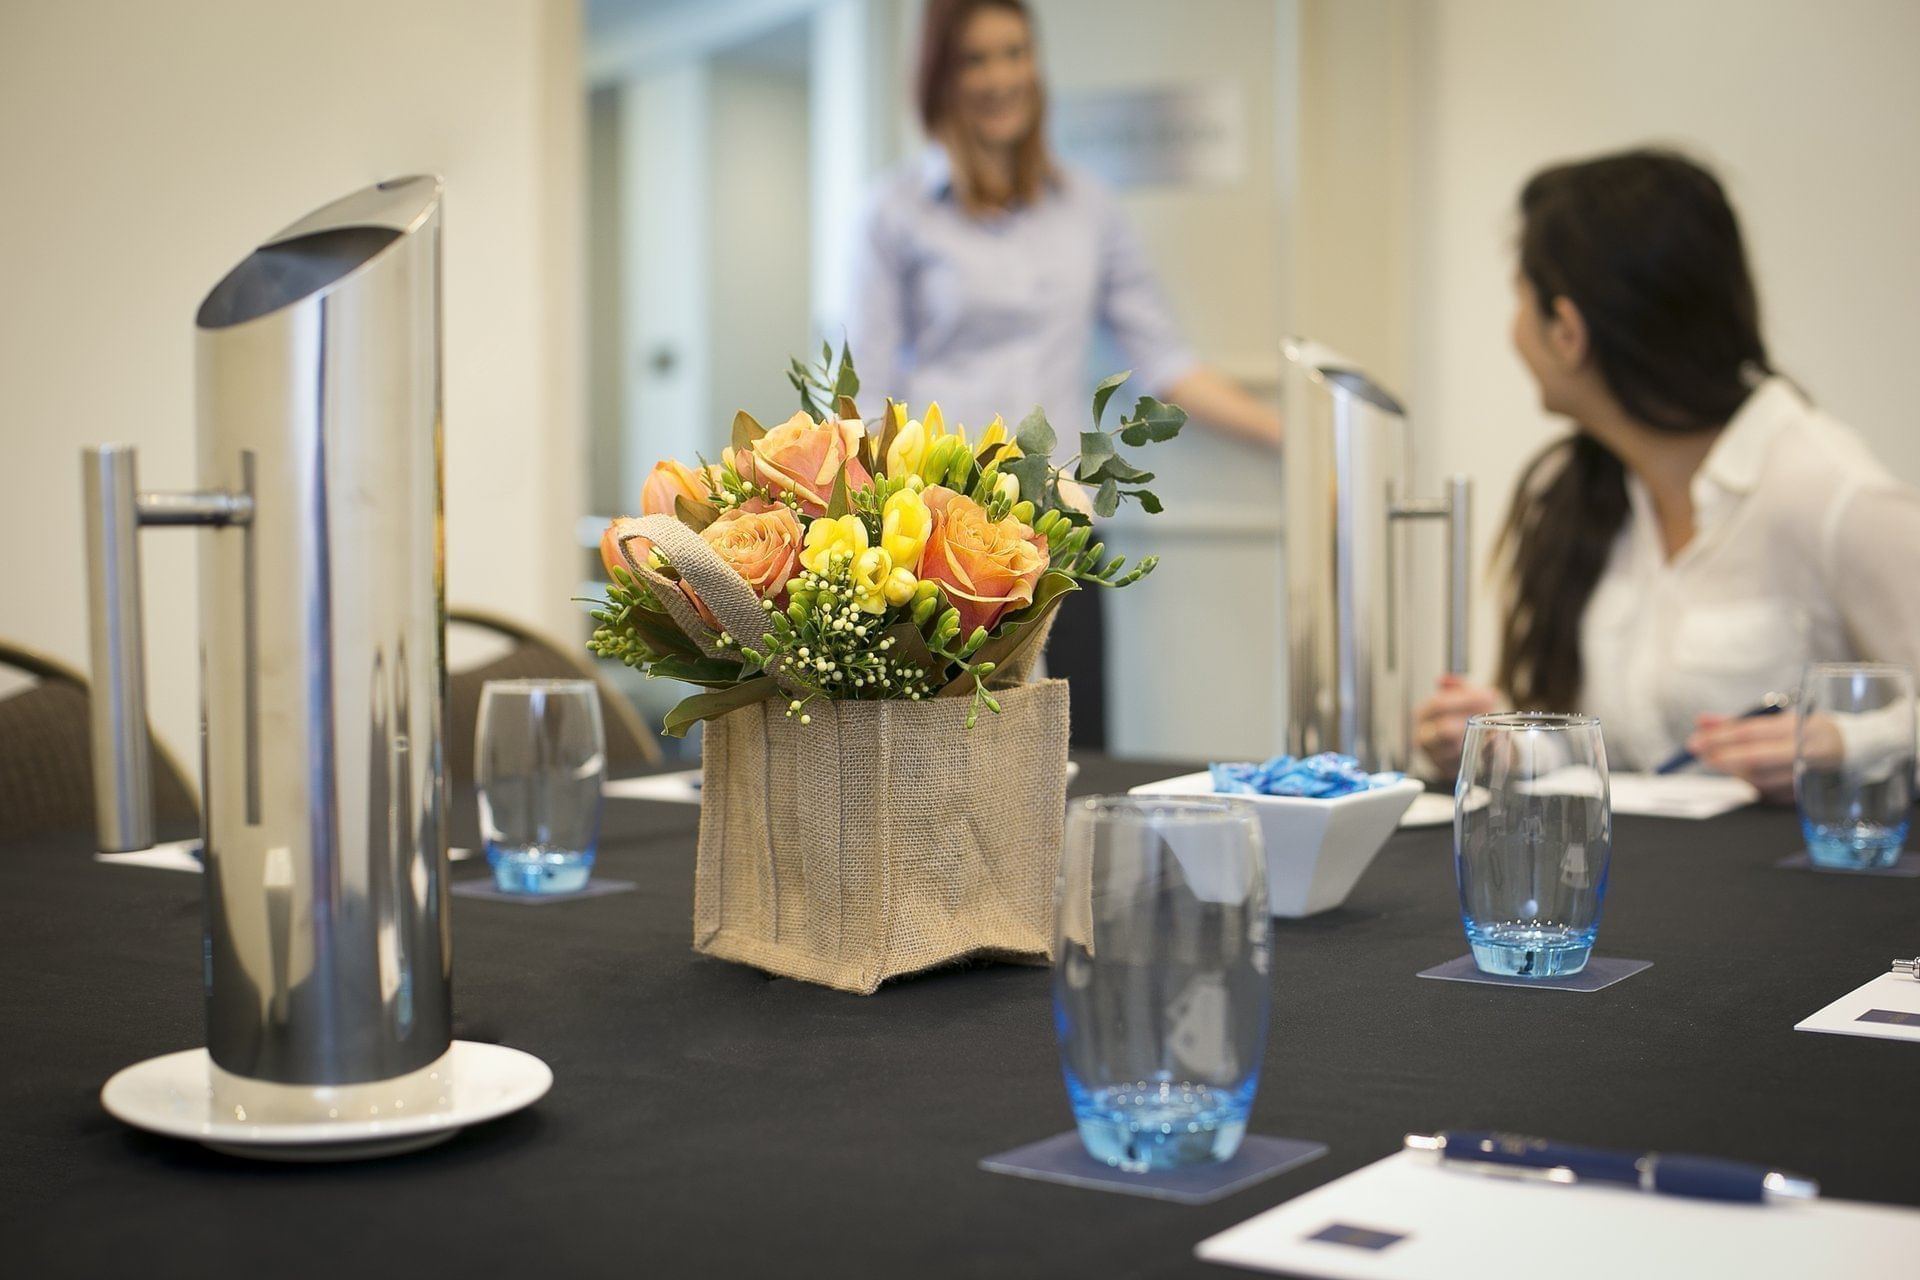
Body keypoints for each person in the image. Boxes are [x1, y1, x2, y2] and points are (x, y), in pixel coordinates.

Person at [1415, 148, 1920, 802]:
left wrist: (1849, 744)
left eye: (1518, 300)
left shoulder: (1828, 492)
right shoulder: (1575, 489)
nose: (1513, 332)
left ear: (1567, 331)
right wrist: (1506, 743)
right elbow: (1627, 752)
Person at [847, 0, 1281, 747]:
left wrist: (1294, 438)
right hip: (940, 544)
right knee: (946, 756)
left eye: (1013, 53)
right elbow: (867, 394)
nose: (999, 76)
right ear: (939, 77)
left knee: (1068, 754)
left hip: (1059, 531)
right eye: (975, 59)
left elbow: (1167, 361)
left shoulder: (1088, 207)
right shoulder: (892, 213)